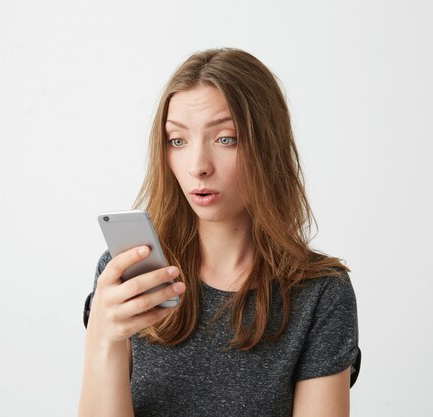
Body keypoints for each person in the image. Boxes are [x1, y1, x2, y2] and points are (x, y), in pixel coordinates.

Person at [78, 48, 360, 417]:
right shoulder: (131, 272)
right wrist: (105, 337)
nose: (198, 166)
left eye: (225, 138)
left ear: (266, 146)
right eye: (178, 140)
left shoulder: (320, 294)